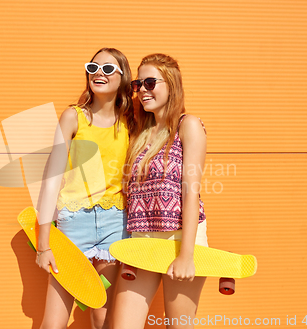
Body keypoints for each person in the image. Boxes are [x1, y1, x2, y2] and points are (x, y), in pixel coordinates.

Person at [35, 48, 133, 329]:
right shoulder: (73, 117)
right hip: (74, 227)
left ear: (123, 77)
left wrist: (191, 123)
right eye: (93, 67)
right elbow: (51, 178)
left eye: (108, 68)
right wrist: (44, 243)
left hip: (116, 226)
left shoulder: (132, 121)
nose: (98, 73)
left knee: (103, 317)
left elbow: (167, 120)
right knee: (53, 323)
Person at [111, 53, 208, 329]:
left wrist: (186, 254)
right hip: (142, 241)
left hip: (179, 239)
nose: (142, 90)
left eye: (150, 82)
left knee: (178, 326)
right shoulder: (141, 132)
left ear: (172, 84)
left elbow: (191, 191)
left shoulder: (187, 126)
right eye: (137, 84)